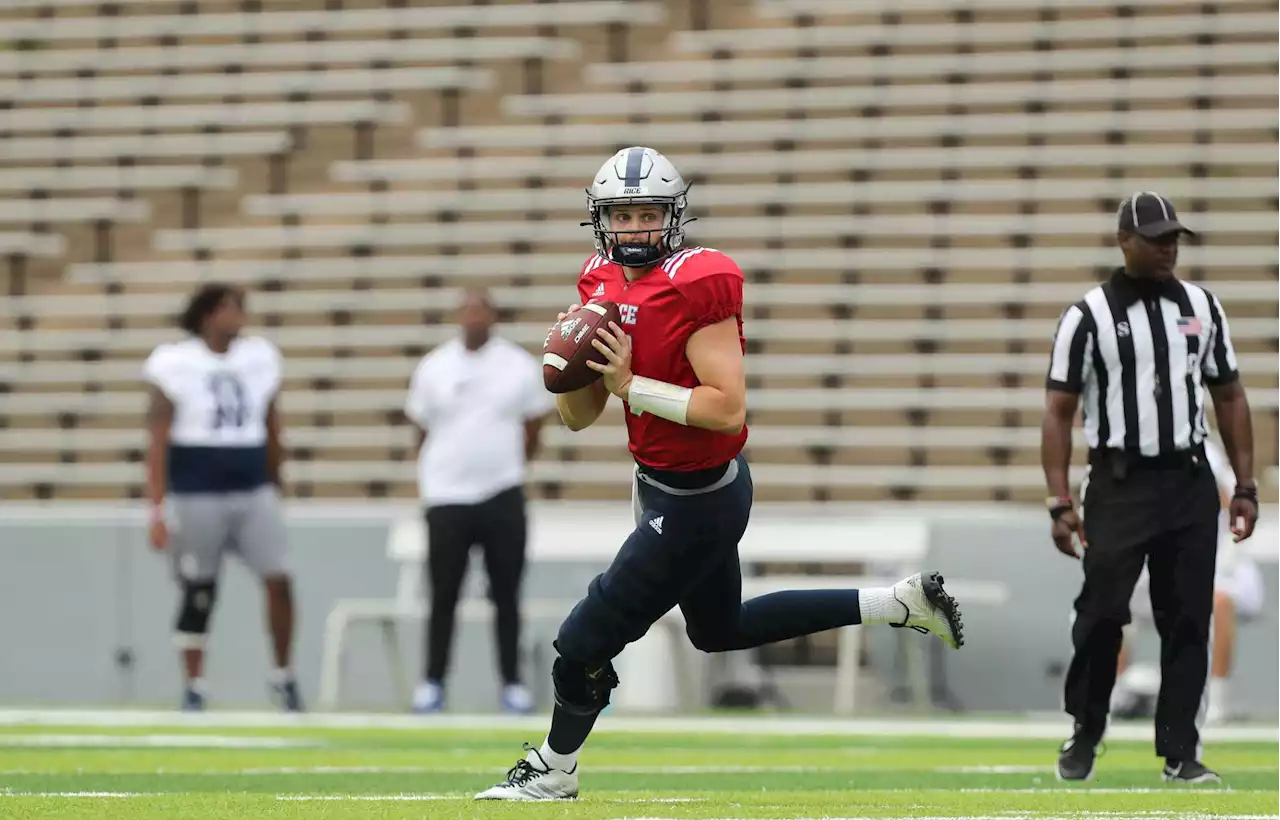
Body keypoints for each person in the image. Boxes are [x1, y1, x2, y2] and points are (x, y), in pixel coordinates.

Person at [475, 146, 965, 801]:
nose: (635, 228)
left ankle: (554, 769)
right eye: (622, 215)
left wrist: (631, 384)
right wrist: (567, 370)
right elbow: (579, 418)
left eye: (649, 213)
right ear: (600, 220)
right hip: (658, 482)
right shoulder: (596, 278)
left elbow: (726, 406)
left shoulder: (697, 281)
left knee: (581, 642)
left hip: (697, 498)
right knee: (719, 630)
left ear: (673, 216)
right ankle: (899, 603)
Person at [1041, 192, 1258, 784]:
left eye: (1174, 238)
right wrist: (1060, 501)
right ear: (1123, 241)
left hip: (1188, 481)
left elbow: (1230, 395)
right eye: (1156, 237)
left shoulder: (1201, 306)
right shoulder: (1087, 315)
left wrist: (1245, 484)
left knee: (1188, 617)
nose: (1168, 247)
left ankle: (1180, 752)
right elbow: (1058, 412)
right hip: (1118, 482)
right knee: (1102, 612)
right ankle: (1086, 728)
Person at [144, 283, 301, 712]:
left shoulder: (259, 358)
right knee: (199, 589)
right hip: (198, 489)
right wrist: (157, 507)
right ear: (207, 314)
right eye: (229, 308)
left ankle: (283, 677)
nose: (238, 316)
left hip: (252, 484)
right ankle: (194, 684)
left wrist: (277, 479)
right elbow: (157, 439)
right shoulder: (176, 362)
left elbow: (272, 424)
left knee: (280, 578)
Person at [403, 287, 554, 715]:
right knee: (443, 593)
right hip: (447, 496)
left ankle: (512, 683)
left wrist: (508, 468)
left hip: (502, 493)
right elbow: (420, 428)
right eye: (467, 311)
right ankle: (433, 682)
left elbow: (534, 425)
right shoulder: (435, 366)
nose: (473, 318)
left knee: (506, 593)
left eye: (480, 311)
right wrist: (437, 474)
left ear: (493, 317)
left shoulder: (517, 366)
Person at [1110, 438, 1266, 725]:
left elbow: (1229, 500)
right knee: (1114, 599)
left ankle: (1216, 698)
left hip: (1218, 564)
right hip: (1160, 565)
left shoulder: (1205, 456)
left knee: (1218, 601)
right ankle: (1114, 690)